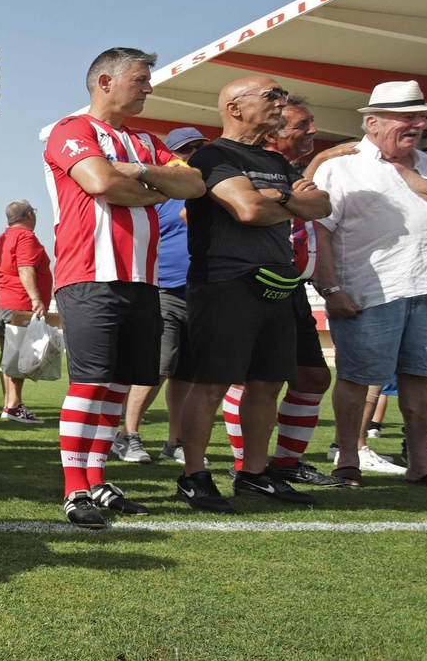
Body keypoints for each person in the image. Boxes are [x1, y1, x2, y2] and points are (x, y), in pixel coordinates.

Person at [43, 47, 206, 529]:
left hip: (143, 279)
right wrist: (152, 187)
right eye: (140, 80)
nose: (149, 89)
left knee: (117, 386)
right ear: (105, 83)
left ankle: (96, 480)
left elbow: (194, 183)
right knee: (90, 383)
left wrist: (134, 173)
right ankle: (74, 490)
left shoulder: (144, 142)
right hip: (90, 275)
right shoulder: (70, 131)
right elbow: (99, 183)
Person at [177, 76, 331, 512]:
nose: (280, 104)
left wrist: (275, 194)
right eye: (271, 96)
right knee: (211, 383)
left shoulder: (272, 159)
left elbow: (322, 206)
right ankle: (193, 476)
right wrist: (286, 198)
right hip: (225, 281)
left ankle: (255, 475)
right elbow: (246, 209)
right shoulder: (213, 155)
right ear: (235, 107)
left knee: (267, 382)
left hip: (277, 282)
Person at [310, 81, 427, 488]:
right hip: (370, 291)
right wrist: (330, 290)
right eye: (408, 117)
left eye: (421, 117)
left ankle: (421, 461)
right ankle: (348, 456)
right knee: (357, 377)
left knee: (421, 376)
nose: (418, 124)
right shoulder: (341, 165)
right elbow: (321, 231)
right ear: (372, 122)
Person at [211, 96, 343, 489]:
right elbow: (243, 210)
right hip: (248, 284)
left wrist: (288, 198)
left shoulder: (284, 171)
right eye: (302, 124)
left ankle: (285, 464)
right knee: (249, 381)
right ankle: (245, 467)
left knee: (314, 378)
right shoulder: (235, 164)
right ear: (274, 131)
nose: (312, 131)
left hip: (292, 285)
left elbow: (320, 206)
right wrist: (296, 201)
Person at [114, 126, 206, 465]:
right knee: (159, 367)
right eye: (185, 150)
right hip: (163, 287)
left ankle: (174, 442)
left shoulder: (205, 190)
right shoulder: (157, 191)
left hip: (198, 290)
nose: (193, 155)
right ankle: (128, 436)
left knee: (186, 373)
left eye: (199, 148)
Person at [0, 199, 52, 424]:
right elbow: (26, 268)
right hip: (19, 303)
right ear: (29, 215)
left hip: (4, 303)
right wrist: (36, 298)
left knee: (8, 357)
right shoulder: (26, 237)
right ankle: (15, 405)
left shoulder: (3, 237)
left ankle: (9, 404)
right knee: (19, 357)